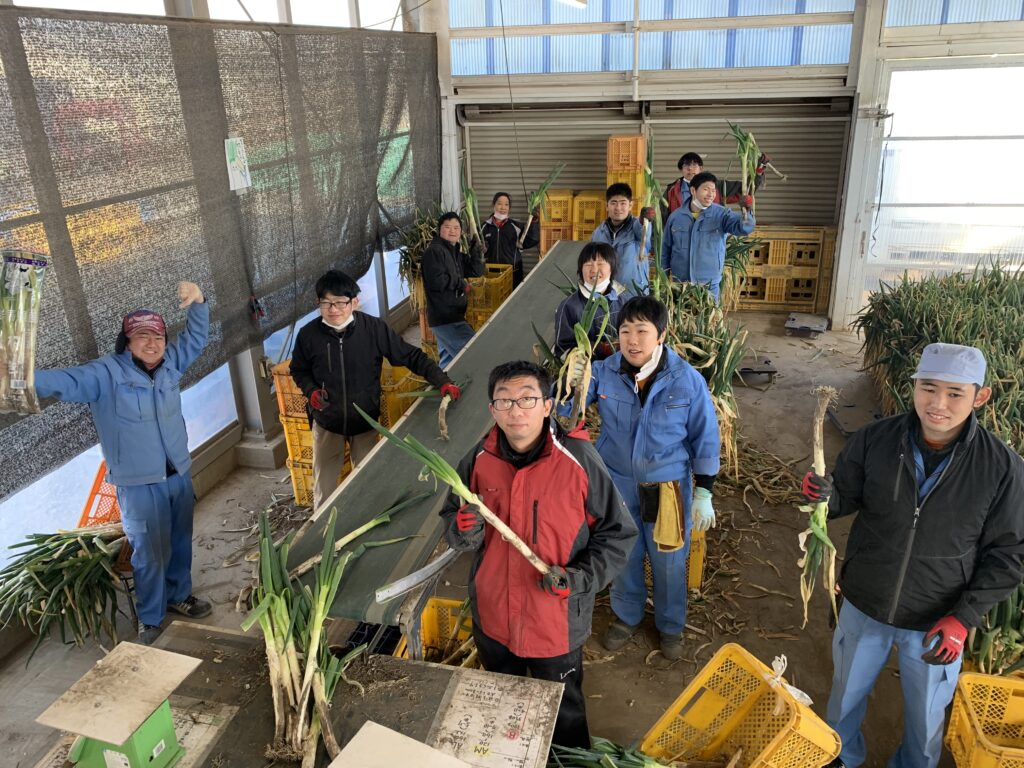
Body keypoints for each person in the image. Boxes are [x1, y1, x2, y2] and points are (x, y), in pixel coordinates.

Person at [802, 343, 1024, 768]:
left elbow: (1008, 554)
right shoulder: (874, 440)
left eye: (955, 393)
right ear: (914, 386)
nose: (938, 404)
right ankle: (842, 757)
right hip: (865, 600)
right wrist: (822, 499)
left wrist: (964, 618)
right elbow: (845, 498)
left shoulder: (1002, 468)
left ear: (981, 396)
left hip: (936, 619)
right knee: (844, 698)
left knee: (926, 721)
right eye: (928, 388)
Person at [441, 360, 637, 748]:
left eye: (528, 399)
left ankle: (569, 758)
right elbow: (453, 521)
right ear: (492, 409)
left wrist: (580, 580)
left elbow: (618, 535)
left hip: (554, 618)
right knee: (503, 708)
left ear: (547, 406)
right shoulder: (477, 461)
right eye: (505, 401)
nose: (516, 411)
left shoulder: (578, 460)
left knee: (563, 713)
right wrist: (463, 530)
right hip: (494, 616)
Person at [34, 282, 212, 645]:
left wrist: (199, 303)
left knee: (180, 540)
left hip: (177, 473)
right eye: (142, 337)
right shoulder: (105, 374)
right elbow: (63, 381)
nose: (152, 343)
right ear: (127, 342)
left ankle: (179, 596)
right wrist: (19, 376)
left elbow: (195, 338)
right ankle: (151, 616)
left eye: (158, 336)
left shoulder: (170, 363)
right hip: (137, 483)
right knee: (148, 552)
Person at [566, 296, 719, 661]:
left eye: (642, 331)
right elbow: (566, 414)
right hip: (617, 481)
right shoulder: (604, 372)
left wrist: (704, 492)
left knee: (668, 559)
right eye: (625, 331)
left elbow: (705, 436)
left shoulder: (686, 381)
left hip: (667, 486)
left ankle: (670, 625)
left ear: (661, 335)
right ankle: (626, 615)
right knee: (624, 554)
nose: (632, 340)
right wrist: (571, 384)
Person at [290, 269, 459, 512]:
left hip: (365, 421)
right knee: (324, 487)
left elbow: (410, 356)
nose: (333, 309)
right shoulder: (308, 335)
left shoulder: (373, 330)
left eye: (340, 302)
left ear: (354, 302)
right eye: (326, 303)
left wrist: (441, 380)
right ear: (318, 303)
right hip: (327, 421)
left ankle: (365, 520)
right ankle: (323, 534)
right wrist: (311, 391)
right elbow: (299, 369)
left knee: (367, 481)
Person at [661, 171, 755, 301]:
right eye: (706, 189)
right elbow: (666, 250)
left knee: (708, 320)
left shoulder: (722, 215)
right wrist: (664, 279)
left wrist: (747, 211)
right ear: (693, 190)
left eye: (713, 190)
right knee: (682, 320)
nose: (711, 194)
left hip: (709, 285)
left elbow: (743, 228)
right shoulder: (676, 217)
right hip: (681, 285)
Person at [421, 212, 485, 368]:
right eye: (447, 227)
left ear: (461, 232)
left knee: (449, 363)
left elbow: (476, 271)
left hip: (453, 316)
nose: (452, 231)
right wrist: (461, 284)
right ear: (439, 230)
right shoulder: (435, 251)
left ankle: (445, 388)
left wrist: (477, 254)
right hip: (446, 319)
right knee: (474, 354)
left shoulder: (454, 252)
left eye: (456, 228)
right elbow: (437, 282)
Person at [553, 242, 623, 361]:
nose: (594, 269)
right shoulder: (569, 306)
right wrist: (599, 349)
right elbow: (562, 348)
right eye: (588, 264)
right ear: (580, 270)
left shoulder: (625, 303)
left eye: (600, 263)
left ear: (612, 268)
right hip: (587, 375)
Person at [590, 182, 653, 297]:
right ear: (607, 206)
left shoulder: (637, 226)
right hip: (607, 293)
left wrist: (644, 220)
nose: (618, 208)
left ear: (630, 205)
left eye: (623, 203)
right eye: (613, 203)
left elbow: (643, 232)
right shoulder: (598, 233)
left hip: (634, 293)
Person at [479, 192, 539, 288]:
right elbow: (475, 248)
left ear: (509, 208)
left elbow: (530, 241)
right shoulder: (484, 227)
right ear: (493, 205)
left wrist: (534, 221)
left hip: (513, 273)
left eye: (506, 204)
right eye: (499, 204)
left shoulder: (516, 227)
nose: (503, 207)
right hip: (491, 273)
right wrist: (481, 248)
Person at [663, 152, 704, 218]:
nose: (690, 168)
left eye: (694, 165)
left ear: (701, 169)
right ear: (681, 170)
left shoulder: (714, 187)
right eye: (686, 165)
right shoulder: (671, 190)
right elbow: (662, 216)